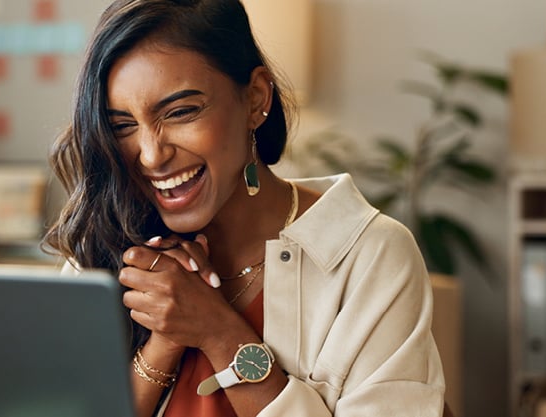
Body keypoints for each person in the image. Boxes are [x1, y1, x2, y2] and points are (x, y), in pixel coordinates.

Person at [44, 1, 445, 416]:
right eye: (122, 126)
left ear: (255, 99)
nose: (150, 155)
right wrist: (164, 343)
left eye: (181, 112)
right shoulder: (103, 244)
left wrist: (219, 333)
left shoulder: (368, 255)